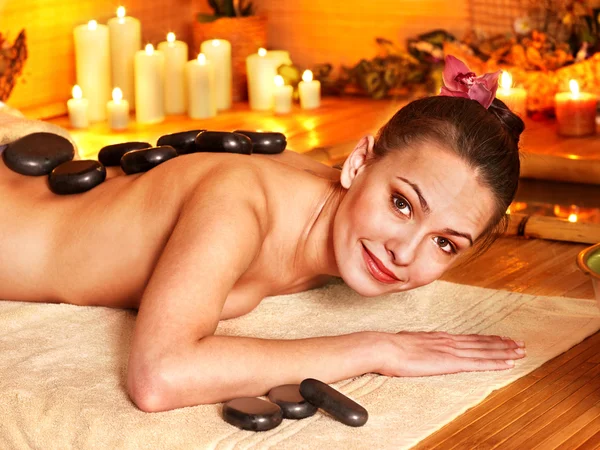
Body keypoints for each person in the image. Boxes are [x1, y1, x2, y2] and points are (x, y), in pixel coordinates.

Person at [0, 56, 526, 413]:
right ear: (359, 162)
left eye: (445, 243)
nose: (404, 251)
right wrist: (377, 348)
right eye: (401, 203)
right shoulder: (240, 203)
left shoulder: (334, 218)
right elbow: (159, 376)